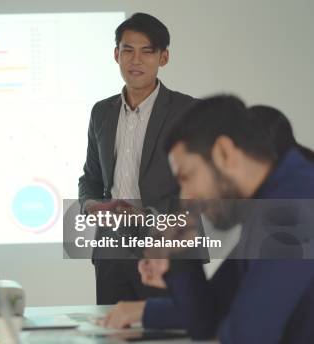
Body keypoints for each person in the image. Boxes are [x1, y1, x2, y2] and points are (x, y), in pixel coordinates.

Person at [101, 104, 314, 329]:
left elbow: (243, 334)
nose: (186, 197)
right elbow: (213, 311)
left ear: (225, 153)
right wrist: (180, 252)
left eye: (187, 176)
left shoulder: (292, 209)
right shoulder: (265, 207)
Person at [78, 12, 197, 304]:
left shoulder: (187, 111)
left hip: (165, 249)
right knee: (112, 330)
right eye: (128, 50)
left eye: (147, 51)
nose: (136, 60)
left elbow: (197, 185)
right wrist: (92, 205)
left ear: (163, 57)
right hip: (112, 249)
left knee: (164, 333)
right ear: (116, 54)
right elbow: (91, 177)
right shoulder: (101, 112)